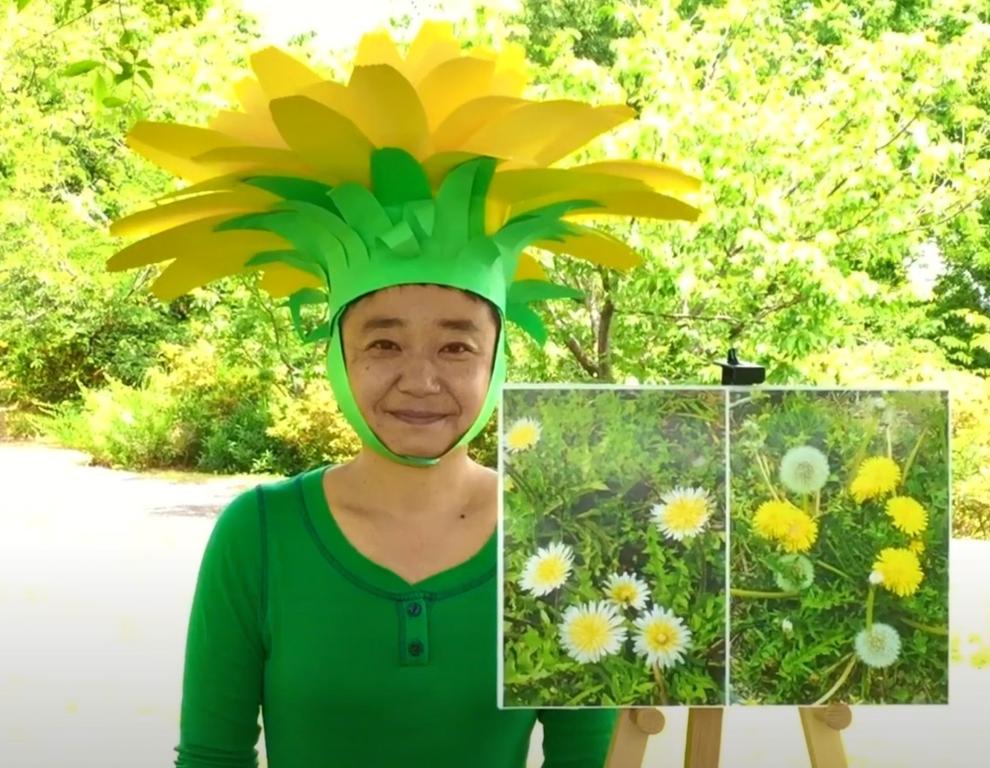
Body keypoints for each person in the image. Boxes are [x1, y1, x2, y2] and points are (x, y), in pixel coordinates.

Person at [106, 21, 700, 767]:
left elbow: (588, 762)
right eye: (383, 343)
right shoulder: (257, 536)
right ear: (337, 356)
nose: (420, 380)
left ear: (498, 360)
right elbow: (212, 757)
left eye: (456, 346)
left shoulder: (559, 537)